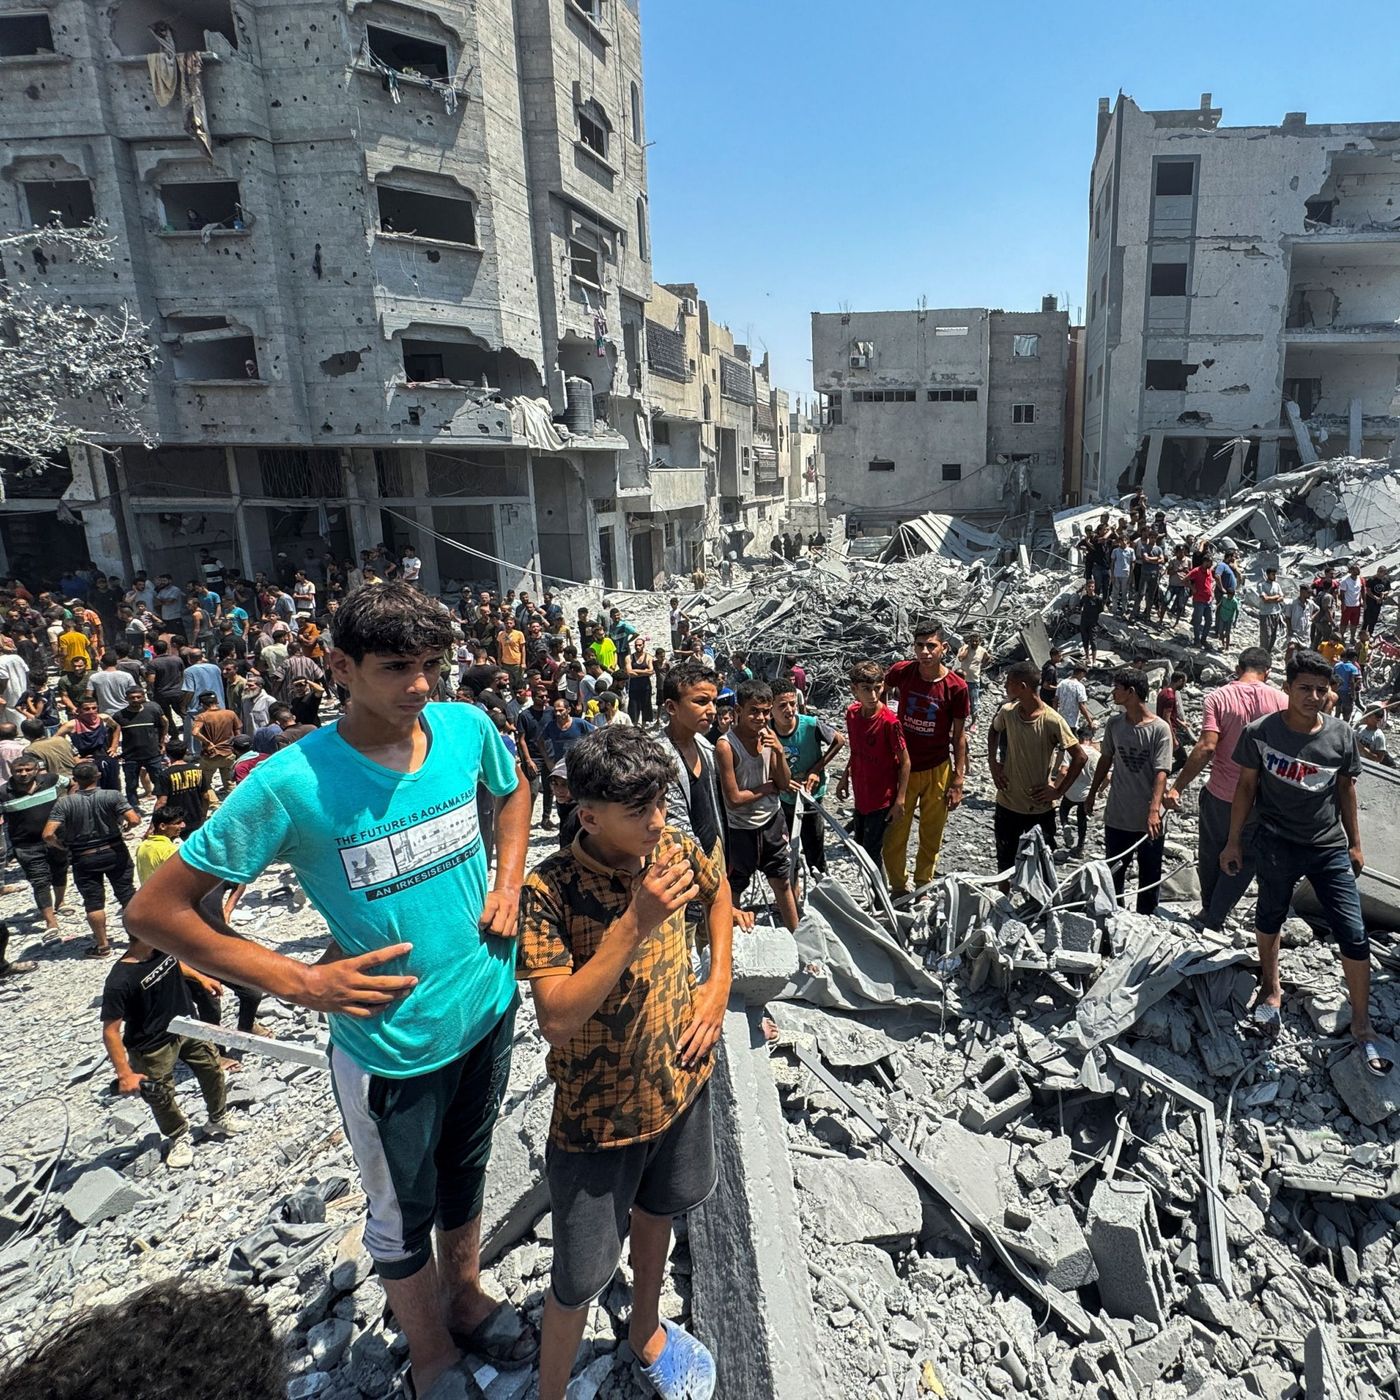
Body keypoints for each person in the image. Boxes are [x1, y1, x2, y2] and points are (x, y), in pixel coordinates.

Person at [127, 582, 537, 1394]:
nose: (419, 685)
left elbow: (514, 787)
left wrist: (509, 878)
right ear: (341, 667)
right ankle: (432, 1357)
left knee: (467, 1169)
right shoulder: (292, 783)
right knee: (400, 1211)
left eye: (431, 664)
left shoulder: (464, 727)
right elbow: (155, 910)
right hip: (393, 1045)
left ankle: (463, 1296)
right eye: (396, 668)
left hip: (486, 1006)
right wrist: (301, 980)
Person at [519, 736, 732, 1400]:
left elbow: (718, 892)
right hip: (595, 1122)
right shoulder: (548, 891)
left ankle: (645, 1329)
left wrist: (717, 984)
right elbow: (557, 1017)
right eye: (639, 811)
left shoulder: (671, 851)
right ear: (589, 817)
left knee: (659, 1210)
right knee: (578, 1279)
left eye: (661, 803)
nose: (658, 822)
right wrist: (635, 922)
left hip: (677, 1085)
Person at [1222, 649, 1385, 1071]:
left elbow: (1346, 790)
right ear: (1287, 688)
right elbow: (1245, 788)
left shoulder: (1341, 736)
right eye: (1305, 688)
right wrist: (1233, 842)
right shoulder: (1261, 733)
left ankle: (1362, 1022)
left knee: (1353, 932)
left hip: (1327, 846)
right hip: (1276, 842)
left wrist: (1355, 844)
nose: (1313, 696)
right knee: (1270, 915)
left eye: (1321, 689)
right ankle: (1271, 988)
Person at [1164, 647, 1288, 930]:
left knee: (1211, 852)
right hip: (1260, 799)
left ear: (1237, 668)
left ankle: (1210, 910)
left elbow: (1207, 746)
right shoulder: (1282, 702)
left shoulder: (1219, 697)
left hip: (1221, 794)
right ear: (1267, 672)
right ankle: (1217, 914)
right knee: (1247, 856)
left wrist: (1177, 787)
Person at [100, 922, 236, 1169]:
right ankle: (178, 1136)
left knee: (213, 1069)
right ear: (142, 934)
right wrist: (124, 1074)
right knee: (160, 1094)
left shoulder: (161, 949)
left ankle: (218, 1117)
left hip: (187, 1026)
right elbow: (110, 1031)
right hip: (151, 1045)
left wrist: (201, 977)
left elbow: (173, 963)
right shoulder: (120, 980)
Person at [881, 623, 969, 894]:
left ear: (944, 648)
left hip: (937, 766)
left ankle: (923, 884)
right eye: (919, 645)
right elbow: (882, 687)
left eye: (931, 645)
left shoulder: (956, 687)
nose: (925, 652)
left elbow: (959, 736)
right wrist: (885, 715)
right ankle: (898, 886)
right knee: (895, 833)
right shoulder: (903, 671)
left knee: (931, 832)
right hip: (904, 767)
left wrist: (958, 779)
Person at [1085, 670, 1173, 915]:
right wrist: (1092, 793)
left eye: (1117, 688)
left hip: (1148, 820)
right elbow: (1105, 759)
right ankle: (1114, 917)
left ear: (1131, 692)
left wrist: (1154, 810)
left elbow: (1161, 772)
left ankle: (1146, 919)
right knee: (1114, 872)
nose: (1113, 692)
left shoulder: (1159, 729)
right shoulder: (1115, 724)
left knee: (1149, 875)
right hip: (1118, 814)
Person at [988, 661, 1087, 874]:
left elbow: (1080, 757)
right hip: (1008, 802)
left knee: (1042, 866)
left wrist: (1058, 791)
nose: (1005, 686)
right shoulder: (1008, 712)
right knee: (1005, 863)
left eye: (1009, 683)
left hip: (1039, 807)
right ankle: (1003, 895)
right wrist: (993, 764)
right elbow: (993, 730)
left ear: (1022, 687)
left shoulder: (1052, 720)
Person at [716, 680, 799, 930]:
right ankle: (732, 941)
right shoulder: (726, 746)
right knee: (735, 887)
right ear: (738, 710)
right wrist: (765, 788)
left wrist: (780, 753)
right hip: (740, 828)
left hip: (771, 821)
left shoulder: (769, 737)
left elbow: (783, 783)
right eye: (754, 711)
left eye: (765, 712)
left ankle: (797, 937)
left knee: (782, 882)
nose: (760, 718)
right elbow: (734, 799)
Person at [43, 761, 140, 956]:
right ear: (98, 776)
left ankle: (103, 946)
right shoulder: (112, 795)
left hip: (83, 856)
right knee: (126, 894)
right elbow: (134, 819)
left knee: (93, 902)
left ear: (75, 780)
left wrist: (61, 846)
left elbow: (47, 834)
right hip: (114, 850)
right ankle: (138, 939)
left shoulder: (65, 803)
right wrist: (126, 828)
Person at [835, 660, 909, 872]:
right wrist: (845, 776)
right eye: (866, 689)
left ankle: (878, 892)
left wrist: (900, 800)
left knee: (871, 852)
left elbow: (905, 761)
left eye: (877, 688)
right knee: (859, 847)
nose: (873, 695)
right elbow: (856, 749)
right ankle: (872, 889)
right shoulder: (852, 714)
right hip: (861, 792)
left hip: (882, 798)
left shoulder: (889, 722)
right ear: (854, 689)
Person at [771, 677, 843, 878]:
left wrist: (816, 769)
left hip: (810, 797)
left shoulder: (810, 725)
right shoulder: (767, 730)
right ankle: (792, 887)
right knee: (786, 850)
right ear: (771, 708)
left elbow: (839, 740)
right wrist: (779, 780)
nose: (789, 710)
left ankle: (822, 884)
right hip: (783, 798)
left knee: (814, 848)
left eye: (792, 704)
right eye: (782, 705)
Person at [656, 661, 724, 867]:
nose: (712, 710)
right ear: (671, 707)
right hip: (683, 863)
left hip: (713, 852)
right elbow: (672, 823)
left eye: (714, 702)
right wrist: (701, 868)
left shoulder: (705, 746)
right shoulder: (657, 757)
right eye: (701, 702)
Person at [0, 754, 68, 937]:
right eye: (18, 771)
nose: (23, 774)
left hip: (56, 839)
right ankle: (51, 922)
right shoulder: (4, 793)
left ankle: (60, 902)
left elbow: (71, 783)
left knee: (60, 871)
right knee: (39, 881)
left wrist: (69, 805)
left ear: (36, 770)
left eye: (28, 769)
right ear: (11, 772)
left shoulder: (51, 780)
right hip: (26, 845)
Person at [113, 685, 168, 806]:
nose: (136, 700)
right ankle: (133, 808)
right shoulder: (119, 716)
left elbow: (164, 724)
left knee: (159, 782)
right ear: (126, 698)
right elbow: (113, 733)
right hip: (130, 756)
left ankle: (163, 806)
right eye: (132, 698)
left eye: (138, 697)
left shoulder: (152, 711)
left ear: (143, 697)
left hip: (153, 754)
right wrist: (114, 749)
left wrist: (162, 743)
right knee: (131, 785)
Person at [153, 739, 213, 834]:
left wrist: (153, 825)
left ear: (167, 754)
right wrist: (203, 816)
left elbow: (161, 802)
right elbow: (205, 796)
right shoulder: (198, 770)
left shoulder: (165, 775)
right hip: (195, 818)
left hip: (174, 822)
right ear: (185, 752)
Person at [190, 691, 240, 796]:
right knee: (229, 781)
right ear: (217, 702)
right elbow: (237, 733)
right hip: (228, 754)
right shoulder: (230, 714)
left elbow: (195, 732)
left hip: (210, 755)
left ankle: (213, 802)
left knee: (205, 782)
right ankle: (232, 800)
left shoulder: (202, 717)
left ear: (202, 704)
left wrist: (208, 743)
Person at [1057, 728, 1098, 855]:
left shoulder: (1072, 752)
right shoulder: (1097, 755)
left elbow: (1063, 772)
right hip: (1086, 794)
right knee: (1082, 820)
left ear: (1078, 738)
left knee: (1063, 809)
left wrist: (1056, 788)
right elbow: (1107, 777)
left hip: (1070, 790)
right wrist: (1100, 790)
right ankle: (1080, 847)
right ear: (1091, 739)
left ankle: (1065, 825)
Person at [956, 632, 990, 721]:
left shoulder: (982, 650)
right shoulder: (964, 648)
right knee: (960, 701)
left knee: (974, 703)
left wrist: (982, 666)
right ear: (969, 641)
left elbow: (988, 658)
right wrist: (967, 648)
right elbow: (961, 658)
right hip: (962, 680)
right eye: (972, 641)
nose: (974, 643)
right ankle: (960, 720)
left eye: (976, 641)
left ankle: (973, 722)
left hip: (974, 681)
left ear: (980, 641)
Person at [622, 635, 655, 725]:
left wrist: (635, 671)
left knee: (646, 707)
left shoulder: (648, 657)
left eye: (640, 645)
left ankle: (643, 726)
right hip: (634, 687)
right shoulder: (629, 657)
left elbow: (651, 671)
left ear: (643, 645)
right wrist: (644, 672)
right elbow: (629, 672)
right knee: (633, 708)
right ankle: (635, 725)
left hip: (645, 686)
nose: (638, 647)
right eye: (636, 645)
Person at [1055, 663, 1094, 737]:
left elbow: (1055, 700)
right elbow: (1081, 706)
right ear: (1081, 673)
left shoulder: (1062, 683)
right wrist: (1090, 721)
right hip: (1071, 722)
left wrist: (1055, 715)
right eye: (1083, 675)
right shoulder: (1079, 686)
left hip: (1061, 720)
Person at [1187, 554, 1215, 648]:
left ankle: (1203, 640)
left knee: (1209, 621)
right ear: (1204, 562)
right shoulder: (1196, 571)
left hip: (1208, 600)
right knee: (1197, 621)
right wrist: (1192, 588)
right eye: (1209, 562)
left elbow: (1210, 583)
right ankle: (1197, 640)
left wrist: (1212, 593)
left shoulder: (1209, 571)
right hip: (1199, 599)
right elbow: (1185, 579)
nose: (1210, 564)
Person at [1284, 584, 1318, 660]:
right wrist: (1289, 629)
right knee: (1291, 648)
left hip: (1305, 632)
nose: (1310, 594)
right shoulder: (1292, 604)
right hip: (1294, 632)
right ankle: (1287, 665)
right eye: (1308, 593)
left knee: (1302, 653)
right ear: (1302, 592)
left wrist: (1312, 617)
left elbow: (1318, 609)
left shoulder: (1310, 603)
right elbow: (1287, 617)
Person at [1334, 646, 1364, 722]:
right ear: (1354, 657)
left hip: (1337, 690)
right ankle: (1345, 725)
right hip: (1347, 692)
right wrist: (1353, 694)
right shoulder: (1353, 668)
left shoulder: (1337, 665)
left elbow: (1334, 677)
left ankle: (1335, 723)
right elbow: (1353, 682)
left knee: (1337, 709)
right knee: (1347, 712)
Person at [1258, 568, 1284, 652]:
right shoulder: (1262, 585)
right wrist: (1276, 597)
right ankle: (1263, 652)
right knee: (1266, 635)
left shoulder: (1277, 585)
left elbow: (1281, 597)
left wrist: (1270, 599)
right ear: (1268, 575)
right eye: (1273, 574)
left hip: (1276, 612)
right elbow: (1265, 599)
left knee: (1273, 635)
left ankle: (1268, 652)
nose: (1275, 576)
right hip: (1265, 613)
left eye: (1275, 574)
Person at [1079, 579, 1104, 665]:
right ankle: (1087, 658)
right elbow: (1080, 606)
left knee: (1093, 641)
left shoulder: (1098, 599)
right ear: (1086, 587)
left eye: (1092, 587)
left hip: (1093, 624)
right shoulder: (1084, 598)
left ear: (1094, 587)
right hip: (1084, 622)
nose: (1090, 588)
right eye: (1089, 587)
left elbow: (1101, 610)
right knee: (1085, 641)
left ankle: (1094, 661)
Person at [1363, 565, 1392, 637]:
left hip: (1378, 603)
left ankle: (1370, 633)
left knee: (1374, 618)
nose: (1380, 573)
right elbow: (1368, 591)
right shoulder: (1371, 579)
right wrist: (1376, 598)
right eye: (1379, 571)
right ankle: (1363, 633)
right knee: (1367, 618)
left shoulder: (1386, 580)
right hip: (1370, 602)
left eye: (1383, 572)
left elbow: (1388, 590)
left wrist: (1384, 594)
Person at [1339, 563, 1365, 642]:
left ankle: (1352, 638)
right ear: (1351, 571)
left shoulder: (1361, 579)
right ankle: (1341, 638)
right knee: (1344, 623)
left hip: (1357, 605)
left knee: (1354, 623)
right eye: (1356, 569)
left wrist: (1364, 601)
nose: (1358, 570)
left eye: (1359, 569)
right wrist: (1343, 604)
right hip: (1347, 605)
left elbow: (1363, 591)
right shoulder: (1345, 581)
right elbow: (1342, 594)